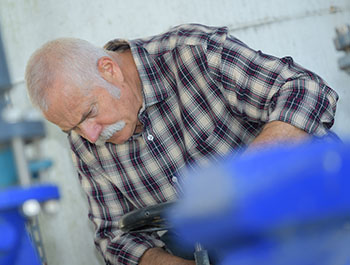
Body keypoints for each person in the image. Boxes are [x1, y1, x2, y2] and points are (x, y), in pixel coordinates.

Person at [25, 23, 338, 265]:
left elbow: (305, 90)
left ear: (110, 70)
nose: (90, 135)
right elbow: (113, 238)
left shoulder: (192, 53)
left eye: (89, 113)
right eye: (73, 128)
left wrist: (243, 177)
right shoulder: (84, 141)